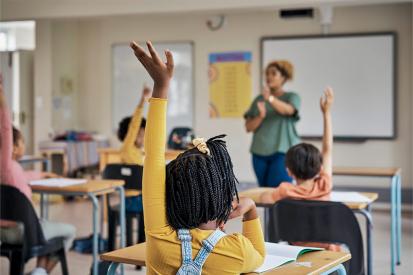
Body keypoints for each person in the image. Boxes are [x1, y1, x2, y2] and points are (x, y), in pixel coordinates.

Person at [130, 40, 265, 274]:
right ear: (222, 196)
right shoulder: (238, 250)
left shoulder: (159, 237)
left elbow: (153, 157)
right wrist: (251, 209)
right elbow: (260, 257)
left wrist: (160, 86)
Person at [0, 78, 76, 275]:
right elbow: (6, 128)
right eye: (22, 142)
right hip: (24, 231)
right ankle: (40, 271)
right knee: (69, 231)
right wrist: (1, 93)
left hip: (2, 232)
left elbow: (24, 176)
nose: (24, 146)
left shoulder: (10, 170)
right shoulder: (8, 164)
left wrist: (43, 174)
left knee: (46, 226)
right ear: (12, 145)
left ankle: (39, 271)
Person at [260, 87, 337, 251]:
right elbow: (328, 148)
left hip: (298, 252)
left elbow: (265, 198)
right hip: (330, 255)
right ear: (319, 168)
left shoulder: (285, 191)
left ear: (289, 171)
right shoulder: (324, 184)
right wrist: (326, 113)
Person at [244, 60, 300, 188]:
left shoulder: (292, 97)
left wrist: (270, 98)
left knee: (280, 191)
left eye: (273, 73)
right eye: (267, 73)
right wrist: (260, 116)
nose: (268, 77)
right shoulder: (258, 99)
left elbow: (289, 110)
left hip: (283, 152)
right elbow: (248, 127)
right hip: (259, 152)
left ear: (284, 77)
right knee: (264, 193)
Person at [117, 85, 151, 165]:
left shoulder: (139, 151)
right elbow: (134, 126)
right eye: (140, 135)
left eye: (144, 135)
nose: (143, 139)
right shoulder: (127, 148)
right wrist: (142, 100)